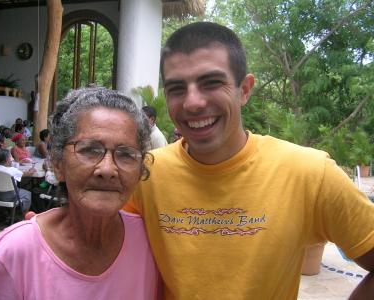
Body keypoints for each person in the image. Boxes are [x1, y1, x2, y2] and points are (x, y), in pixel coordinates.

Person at [125, 22, 374, 299]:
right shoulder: (144, 174)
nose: (192, 103)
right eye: (176, 88)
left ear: (244, 90)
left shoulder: (309, 173)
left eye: (211, 83)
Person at [0, 87, 160, 300]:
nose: (108, 169)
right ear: (58, 164)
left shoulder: (151, 241)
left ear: (140, 171)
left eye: (126, 154)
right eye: (90, 150)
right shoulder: (16, 252)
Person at [0, 149, 35, 215]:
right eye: (10, 157)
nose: (11, 159)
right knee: (28, 194)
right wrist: (32, 169)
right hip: (10, 196)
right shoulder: (12, 170)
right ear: (7, 159)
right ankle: (24, 215)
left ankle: (9, 213)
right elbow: (28, 174)